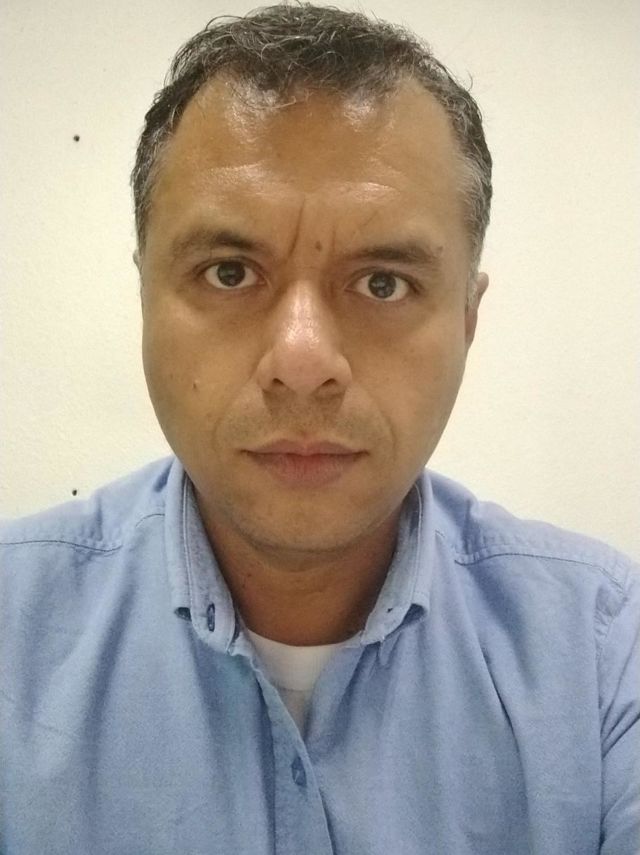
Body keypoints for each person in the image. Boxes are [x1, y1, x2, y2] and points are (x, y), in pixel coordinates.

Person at [1, 4, 638, 853]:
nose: (303, 361)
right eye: (230, 272)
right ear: (144, 295)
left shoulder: (605, 647)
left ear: (468, 318)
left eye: (382, 283)